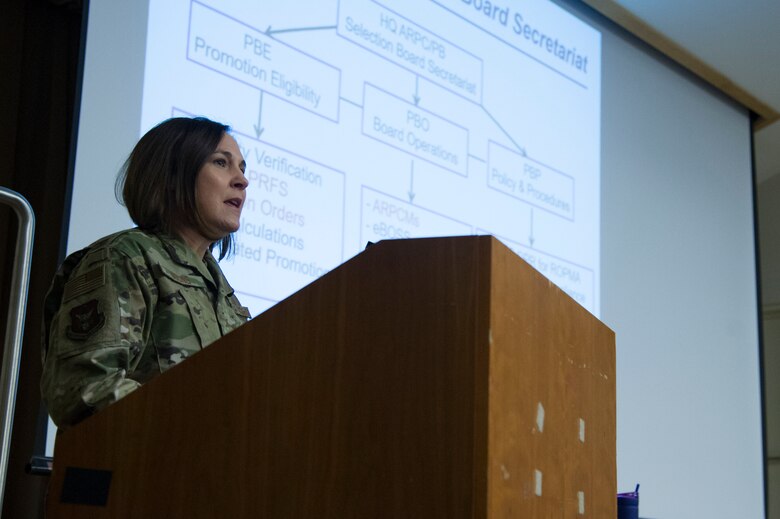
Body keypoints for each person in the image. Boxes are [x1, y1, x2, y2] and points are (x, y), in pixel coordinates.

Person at [41, 117, 251, 428]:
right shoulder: (124, 257)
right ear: (171, 175)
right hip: (137, 469)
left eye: (243, 169)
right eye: (221, 163)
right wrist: (195, 433)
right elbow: (85, 389)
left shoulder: (221, 289)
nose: (241, 181)